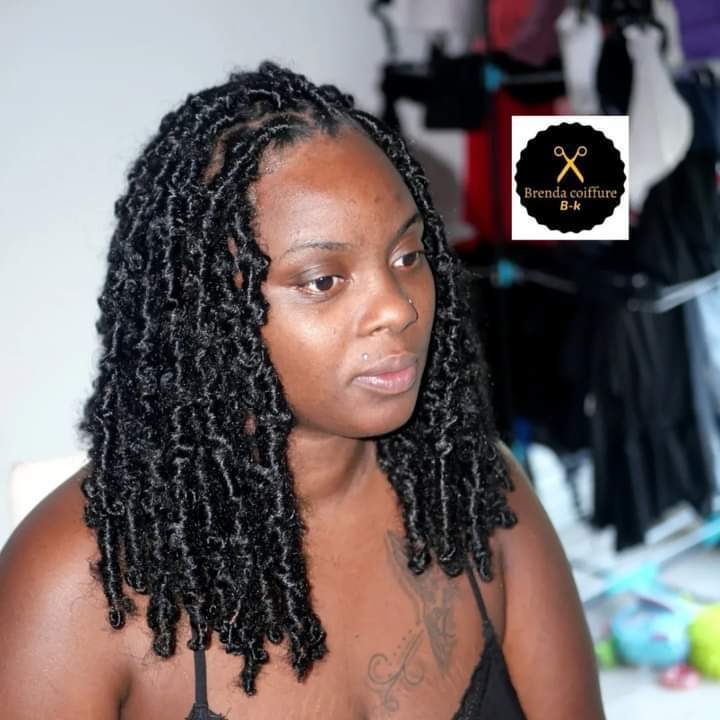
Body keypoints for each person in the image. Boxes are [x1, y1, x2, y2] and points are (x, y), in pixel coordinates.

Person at [0, 62, 604, 719]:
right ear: (203, 310)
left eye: (407, 257)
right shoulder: (72, 585)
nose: (398, 308)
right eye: (322, 280)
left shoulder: (474, 492)